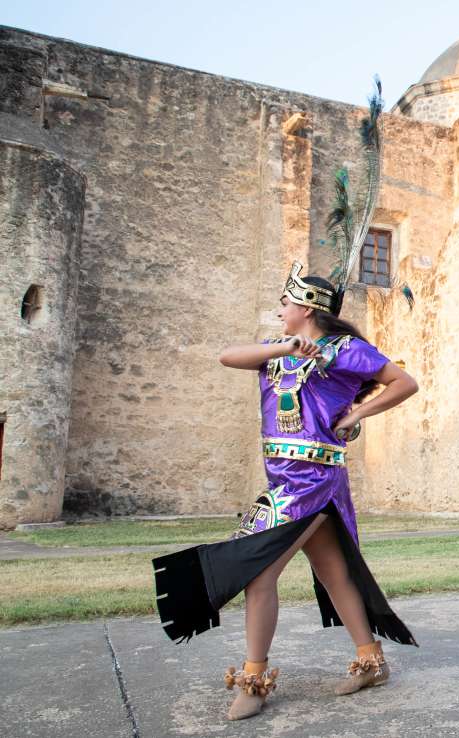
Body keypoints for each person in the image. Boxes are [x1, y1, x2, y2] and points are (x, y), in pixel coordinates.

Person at [152, 262, 419, 721]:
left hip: (314, 479)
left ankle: (253, 679)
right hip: (283, 478)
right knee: (333, 573)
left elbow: (404, 382)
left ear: (308, 307)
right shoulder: (275, 351)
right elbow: (226, 355)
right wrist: (287, 346)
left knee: (259, 572)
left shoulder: (346, 350)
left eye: (286, 302)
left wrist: (355, 416)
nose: (280, 309)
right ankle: (371, 660)